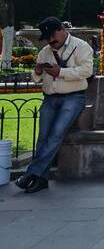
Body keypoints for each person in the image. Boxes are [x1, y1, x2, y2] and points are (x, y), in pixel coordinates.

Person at [15, 18, 94, 193]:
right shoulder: (45, 51)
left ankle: (31, 173)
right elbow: (37, 78)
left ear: (61, 30)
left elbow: (87, 70)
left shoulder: (81, 46)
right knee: (43, 138)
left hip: (73, 98)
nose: (51, 41)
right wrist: (36, 72)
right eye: (47, 37)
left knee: (56, 135)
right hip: (50, 98)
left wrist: (61, 72)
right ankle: (41, 179)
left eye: (52, 36)